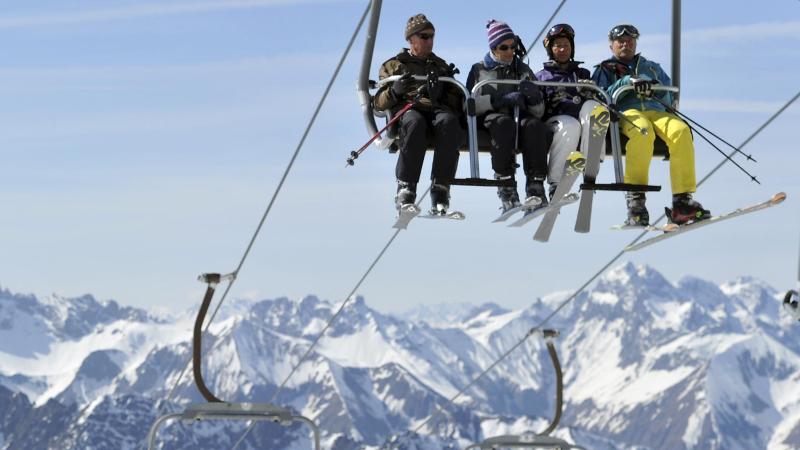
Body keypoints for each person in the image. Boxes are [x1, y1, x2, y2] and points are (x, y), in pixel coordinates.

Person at [592, 24, 710, 226]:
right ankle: (636, 201)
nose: (625, 45)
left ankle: (682, 202)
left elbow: (669, 92)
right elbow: (600, 95)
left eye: (630, 41)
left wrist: (653, 88)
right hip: (627, 111)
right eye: (621, 42)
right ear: (612, 45)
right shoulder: (605, 69)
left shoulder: (652, 67)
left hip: (657, 111)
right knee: (642, 131)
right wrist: (627, 82)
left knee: (681, 130)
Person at [373, 14, 465, 215]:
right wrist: (395, 91)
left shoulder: (440, 66)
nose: (429, 41)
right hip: (410, 109)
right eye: (424, 36)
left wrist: (443, 92)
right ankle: (406, 188)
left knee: (449, 122)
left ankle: (441, 188)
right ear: (411, 39)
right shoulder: (394, 65)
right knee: (414, 122)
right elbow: (378, 104)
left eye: (432, 36)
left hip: (436, 110)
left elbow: (458, 101)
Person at [466, 20, 550, 213]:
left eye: (513, 46)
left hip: (519, 117)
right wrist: (498, 101)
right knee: (503, 124)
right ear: (494, 48)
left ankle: (535, 185)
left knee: (534, 126)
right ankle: (506, 185)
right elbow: (469, 105)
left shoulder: (523, 70)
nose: (510, 51)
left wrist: (534, 97)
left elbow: (539, 112)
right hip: (491, 118)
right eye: (504, 47)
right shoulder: (479, 70)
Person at [536, 23, 606, 199]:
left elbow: (598, 100)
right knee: (571, 125)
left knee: (595, 109)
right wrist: (550, 96)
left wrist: (590, 93)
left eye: (566, 45)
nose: (562, 49)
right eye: (558, 45)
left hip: (581, 120)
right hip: (557, 121)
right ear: (551, 49)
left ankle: (591, 169)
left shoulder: (583, 73)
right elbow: (537, 109)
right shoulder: (542, 76)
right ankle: (555, 184)